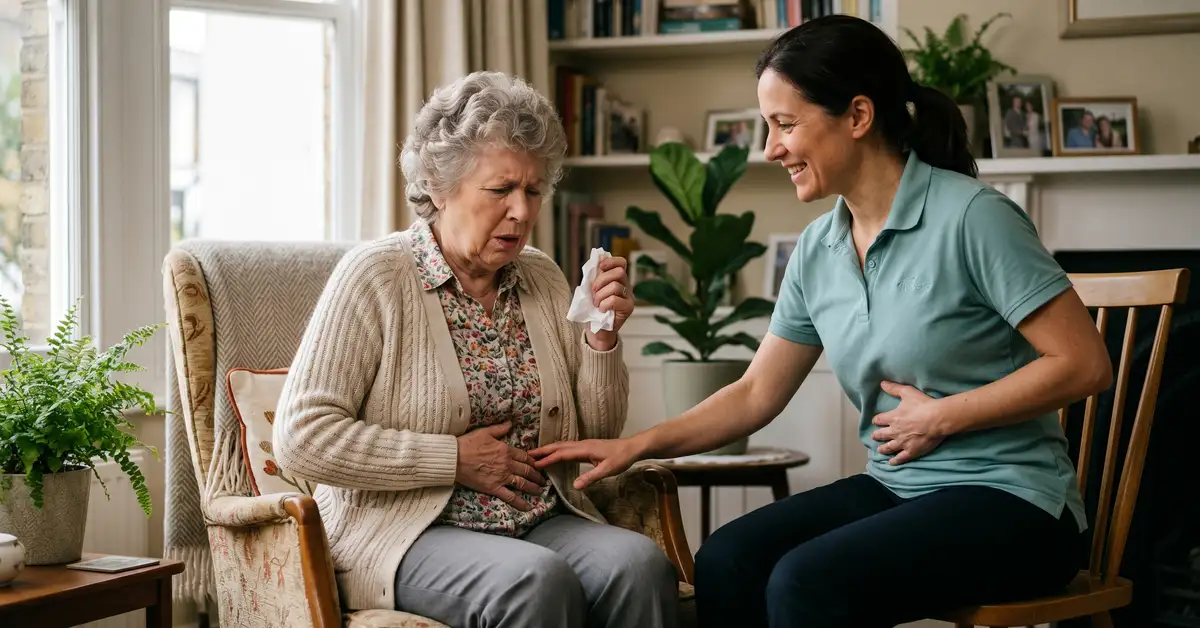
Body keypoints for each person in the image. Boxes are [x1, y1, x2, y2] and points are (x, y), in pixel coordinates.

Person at [532, 15, 1112, 628]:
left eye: (785, 124)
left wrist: (943, 414)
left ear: (858, 117)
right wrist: (638, 445)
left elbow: (1084, 363)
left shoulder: (973, 218)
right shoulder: (819, 249)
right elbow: (757, 392)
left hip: (1016, 503)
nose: (770, 148)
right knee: (728, 559)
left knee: (807, 581)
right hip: (898, 488)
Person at [273, 70, 678, 628]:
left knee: (638, 564)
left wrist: (600, 337)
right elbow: (301, 438)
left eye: (534, 190)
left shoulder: (540, 276)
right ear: (440, 188)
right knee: (535, 581)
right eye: (500, 189)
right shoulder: (375, 277)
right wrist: (452, 459)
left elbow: (594, 433)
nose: (521, 210)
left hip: (536, 517)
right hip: (407, 532)